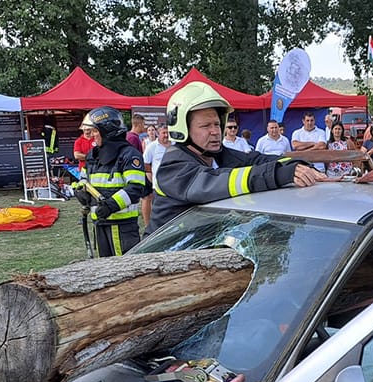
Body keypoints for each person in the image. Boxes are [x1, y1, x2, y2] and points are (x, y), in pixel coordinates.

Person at [148, 81, 323, 234]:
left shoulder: (220, 154)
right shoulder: (172, 166)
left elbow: (258, 160)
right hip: (161, 256)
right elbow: (215, 182)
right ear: (182, 128)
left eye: (217, 124)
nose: (215, 131)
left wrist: (300, 166)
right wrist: (278, 174)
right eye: (205, 126)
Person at [73, 106, 148, 256]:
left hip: (122, 227)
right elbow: (83, 179)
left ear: (106, 130)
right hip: (99, 224)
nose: (92, 135)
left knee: (124, 271)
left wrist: (110, 205)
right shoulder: (92, 155)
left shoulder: (129, 155)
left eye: (95, 131)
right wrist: (79, 190)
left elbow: (135, 188)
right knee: (104, 269)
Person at [141, 123, 172, 228]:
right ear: (158, 133)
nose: (166, 135)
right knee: (159, 212)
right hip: (159, 187)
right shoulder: (152, 147)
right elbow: (145, 164)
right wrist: (151, 178)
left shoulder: (176, 145)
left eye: (168, 133)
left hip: (174, 185)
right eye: (164, 133)